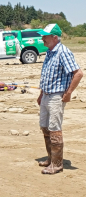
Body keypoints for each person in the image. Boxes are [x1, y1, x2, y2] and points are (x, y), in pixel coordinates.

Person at [37, 24, 83, 174]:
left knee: (55, 129)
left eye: (45, 36)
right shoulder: (49, 52)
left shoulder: (63, 52)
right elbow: (47, 75)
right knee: (45, 127)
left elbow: (78, 73)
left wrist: (68, 92)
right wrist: (41, 94)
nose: (42, 38)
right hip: (46, 95)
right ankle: (51, 158)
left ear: (54, 37)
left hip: (56, 97)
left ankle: (57, 164)